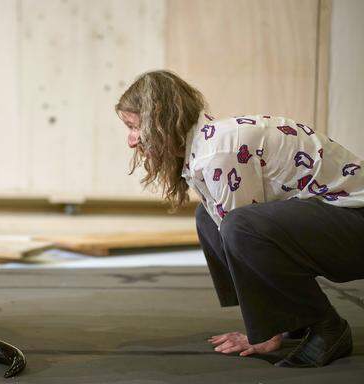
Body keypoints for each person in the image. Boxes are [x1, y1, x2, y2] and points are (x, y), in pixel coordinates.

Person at [115, 70, 363, 367]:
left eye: (134, 126)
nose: (131, 141)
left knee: (240, 227)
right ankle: (293, 320)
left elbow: (243, 235)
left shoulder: (217, 152)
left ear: (159, 118)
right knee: (210, 219)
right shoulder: (204, 145)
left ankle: (327, 328)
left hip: (355, 223)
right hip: (338, 222)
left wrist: (262, 331)